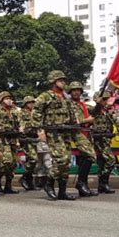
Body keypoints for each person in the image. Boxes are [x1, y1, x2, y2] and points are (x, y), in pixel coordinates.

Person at [32, 70, 77, 201]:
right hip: (53, 133)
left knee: (67, 162)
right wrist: (40, 131)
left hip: (66, 132)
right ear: (53, 81)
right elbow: (36, 113)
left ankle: (62, 191)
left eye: (64, 80)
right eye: (61, 80)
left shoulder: (65, 97)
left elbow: (72, 115)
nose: (64, 82)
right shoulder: (45, 96)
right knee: (60, 160)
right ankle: (49, 183)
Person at [67, 81, 98, 197]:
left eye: (78, 90)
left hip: (85, 133)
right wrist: (87, 120)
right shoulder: (69, 104)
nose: (76, 92)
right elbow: (73, 121)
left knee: (86, 158)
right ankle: (81, 183)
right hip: (76, 132)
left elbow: (92, 115)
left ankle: (83, 184)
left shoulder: (82, 104)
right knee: (91, 155)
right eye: (74, 90)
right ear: (70, 92)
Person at [0, 91, 20, 194]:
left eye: (9, 98)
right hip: (3, 139)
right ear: (1, 100)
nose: (9, 100)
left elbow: (18, 123)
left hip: (13, 139)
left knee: (13, 163)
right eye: (6, 98)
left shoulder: (14, 111)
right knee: (6, 161)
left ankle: (8, 185)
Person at [90, 91, 117, 194]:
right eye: (104, 99)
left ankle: (102, 184)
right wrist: (98, 103)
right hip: (98, 139)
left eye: (106, 99)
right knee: (110, 160)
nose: (106, 101)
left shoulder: (105, 111)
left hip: (105, 139)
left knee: (103, 162)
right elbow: (93, 113)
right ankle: (103, 183)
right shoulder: (94, 110)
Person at [17, 96, 39, 191]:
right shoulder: (21, 113)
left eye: (33, 102)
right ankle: (24, 178)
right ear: (25, 104)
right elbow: (20, 125)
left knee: (32, 160)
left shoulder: (34, 113)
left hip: (34, 138)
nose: (32, 104)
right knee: (33, 159)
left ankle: (29, 181)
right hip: (25, 138)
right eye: (30, 103)